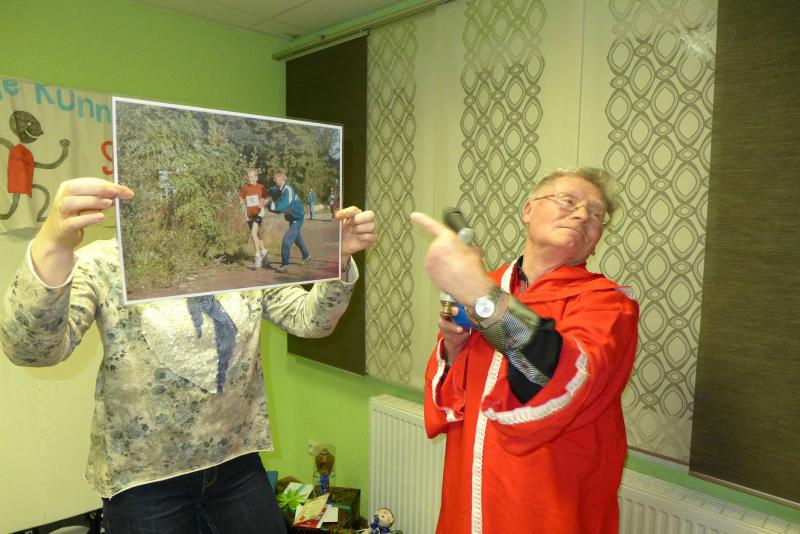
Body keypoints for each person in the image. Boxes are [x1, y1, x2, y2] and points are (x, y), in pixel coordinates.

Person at [0, 177, 378, 533]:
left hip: (235, 462)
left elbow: (312, 321)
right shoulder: (106, 263)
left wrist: (339, 258)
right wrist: (52, 245)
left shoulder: (244, 258)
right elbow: (32, 350)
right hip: (144, 481)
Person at [410, 167, 639, 534]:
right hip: (470, 496)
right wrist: (453, 347)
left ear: (596, 240)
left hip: (548, 508)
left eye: (597, 214)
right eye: (568, 201)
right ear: (528, 210)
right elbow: (455, 406)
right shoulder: (491, 285)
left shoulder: (609, 305)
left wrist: (480, 295)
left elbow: (551, 378)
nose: (583, 215)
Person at [267, 168, 310, 273]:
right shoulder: (281, 188)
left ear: (281, 177)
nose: (274, 180)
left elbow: (279, 208)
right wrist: (265, 191)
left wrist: (267, 203)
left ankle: (284, 265)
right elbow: (273, 190)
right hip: (292, 218)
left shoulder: (288, 191)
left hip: (297, 219)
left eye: (275, 178)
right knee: (297, 239)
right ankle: (306, 256)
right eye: (273, 178)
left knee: (286, 240)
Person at [238, 167, 269, 269]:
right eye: (248, 177)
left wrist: (263, 203)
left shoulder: (261, 187)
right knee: (256, 235)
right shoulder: (245, 187)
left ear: (256, 177)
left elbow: (266, 199)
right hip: (249, 215)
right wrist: (241, 201)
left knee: (253, 234)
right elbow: (241, 197)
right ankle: (264, 252)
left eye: (252, 177)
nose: (250, 179)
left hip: (259, 213)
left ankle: (258, 256)